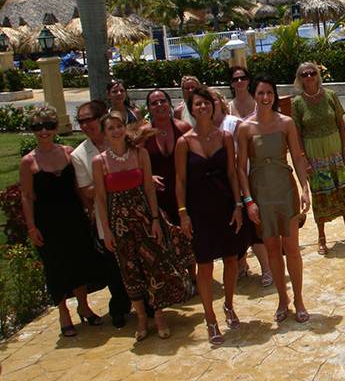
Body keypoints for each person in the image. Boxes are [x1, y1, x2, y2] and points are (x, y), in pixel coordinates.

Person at [92, 111, 194, 342]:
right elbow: (100, 197)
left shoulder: (140, 154)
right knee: (130, 271)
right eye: (111, 128)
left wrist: (156, 220)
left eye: (119, 126)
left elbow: (149, 188)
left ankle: (158, 315)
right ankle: (140, 317)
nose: (116, 131)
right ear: (105, 133)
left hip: (145, 219)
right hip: (119, 224)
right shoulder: (99, 162)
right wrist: (106, 230)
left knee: (154, 266)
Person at [19, 106, 108, 337]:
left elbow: (79, 188)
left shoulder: (69, 153)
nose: (44, 131)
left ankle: (84, 306)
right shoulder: (28, 162)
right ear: (33, 130)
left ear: (56, 128)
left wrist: (89, 211)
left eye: (49, 125)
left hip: (74, 218)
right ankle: (63, 313)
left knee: (78, 263)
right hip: (48, 223)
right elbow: (27, 197)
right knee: (56, 268)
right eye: (38, 127)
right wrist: (31, 227)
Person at [175, 87, 248, 345]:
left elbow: (232, 173)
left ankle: (228, 304)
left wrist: (239, 204)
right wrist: (183, 213)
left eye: (206, 103)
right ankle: (210, 318)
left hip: (224, 205)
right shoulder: (183, 142)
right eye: (197, 104)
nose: (203, 107)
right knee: (204, 267)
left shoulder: (226, 136)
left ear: (213, 106)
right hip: (199, 209)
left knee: (231, 259)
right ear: (191, 109)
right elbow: (181, 181)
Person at [236, 78, 312, 323]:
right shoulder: (245, 128)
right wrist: (248, 200)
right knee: (271, 249)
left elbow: (298, 157)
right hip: (260, 192)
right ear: (254, 95)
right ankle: (283, 298)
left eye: (270, 92)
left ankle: (298, 299)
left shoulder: (286, 123)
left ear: (275, 95)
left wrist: (304, 187)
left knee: (291, 248)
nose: (265, 97)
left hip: (285, 188)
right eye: (261, 93)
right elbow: (240, 168)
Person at [71, 99, 134, 328]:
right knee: (114, 267)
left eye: (89, 119)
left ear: (101, 118)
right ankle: (119, 307)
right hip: (105, 216)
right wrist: (114, 181)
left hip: (133, 210)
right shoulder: (80, 155)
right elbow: (86, 190)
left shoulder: (120, 139)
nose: (86, 125)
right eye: (81, 122)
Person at [291, 61, 345, 255]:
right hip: (314, 154)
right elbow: (296, 132)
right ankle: (321, 237)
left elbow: (340, 123)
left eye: (312, 73)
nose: (309, 77)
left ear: (317, 75)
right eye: (304, 74)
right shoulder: (297, 103)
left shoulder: (330, 95)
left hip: (335, 151)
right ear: (300, 79)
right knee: (321, 195)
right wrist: (303, 157)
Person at [214, 87, 273, 286]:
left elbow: (245, 156)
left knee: (253, 229)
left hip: (242, 182)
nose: (208, 105)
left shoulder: (233, 124)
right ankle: (241, 266)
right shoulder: (204, 129)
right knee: (232, 229)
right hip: (221, 188)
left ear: (221, 103)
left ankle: (266, 268)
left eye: (213, 101)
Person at [143, 89, 192, 224]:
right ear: (149, 108)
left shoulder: (183, 128)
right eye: (154, 103)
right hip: (157, 196)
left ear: (169, 104)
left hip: (183, 193)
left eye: (163, 101)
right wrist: (148, 177)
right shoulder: (144, 134)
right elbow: (134, 162)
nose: (159, 105)